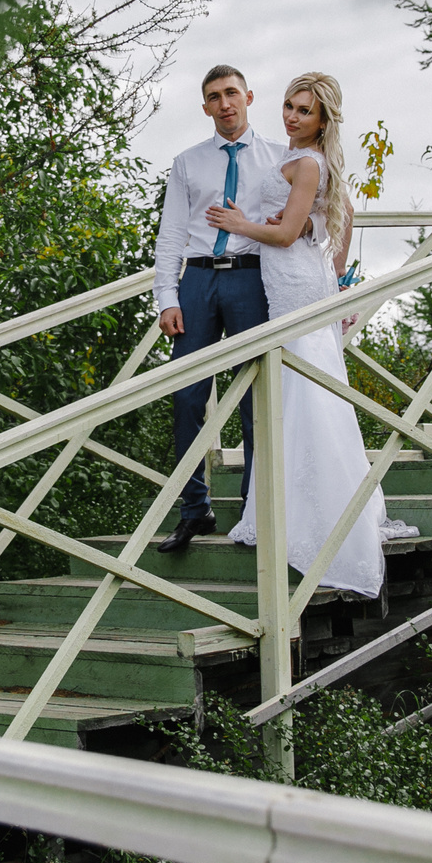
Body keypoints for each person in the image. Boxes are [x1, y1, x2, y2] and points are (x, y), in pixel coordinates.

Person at [201, 71, 386, 598]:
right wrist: (326, 249)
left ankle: (318, 518)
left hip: (295, 285)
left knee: (305, 391)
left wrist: (241, 225)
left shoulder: (307, 162)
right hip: (291, 281)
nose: (292, 116)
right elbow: (338, 212)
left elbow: (282, 235)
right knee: (294, 392)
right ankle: (287, 508)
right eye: (288, 105)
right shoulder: (302, 160)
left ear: (323, 119)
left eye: (304, 110)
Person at [153, 65, 287, 551]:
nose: (225, 103)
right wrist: (167, 296)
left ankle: (255, 511)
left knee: (255, 399)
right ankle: (194, 509)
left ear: (249, 96)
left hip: (253, 279)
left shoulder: (280, 157)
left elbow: (305, 218)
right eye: (214, 96)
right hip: (200, 279)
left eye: (232, 93)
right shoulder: (188, 162)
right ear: (205, 106)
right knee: (187, 394)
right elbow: (170, 234)